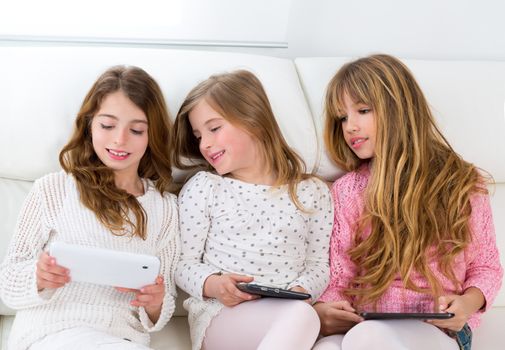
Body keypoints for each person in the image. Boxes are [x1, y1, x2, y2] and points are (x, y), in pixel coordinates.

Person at [312, 54, 503, 350]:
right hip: (369, 323)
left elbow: (486, 266)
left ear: (399, 110)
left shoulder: (461, 183)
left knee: (367, 338)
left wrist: (465, 304)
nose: (350, 126)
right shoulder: (348, 190)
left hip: (437, 329)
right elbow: (342, 275)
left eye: (362, 110)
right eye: (343, 117)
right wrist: (327, 309)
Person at [0, 66, 180, 350]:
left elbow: (165, 303)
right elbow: (8, 283)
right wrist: (39, 277)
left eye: (136, 130)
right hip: (52, 333)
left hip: (122, 338)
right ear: (89, 125)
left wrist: (155, 301)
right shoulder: (53, 189)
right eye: (107, 126)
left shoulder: (165, 209)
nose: (119, 139)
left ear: (151, 135)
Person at [172, 69, 333, 350]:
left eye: (214, 128)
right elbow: (182, 263)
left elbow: (318, 265)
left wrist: (300, 292)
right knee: (302, 317)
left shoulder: (313, 191)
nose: (205, 144)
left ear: (254, 121)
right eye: (198, 135)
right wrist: (214, 284)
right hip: (222, 314)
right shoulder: (205, 187)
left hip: (291, 315)